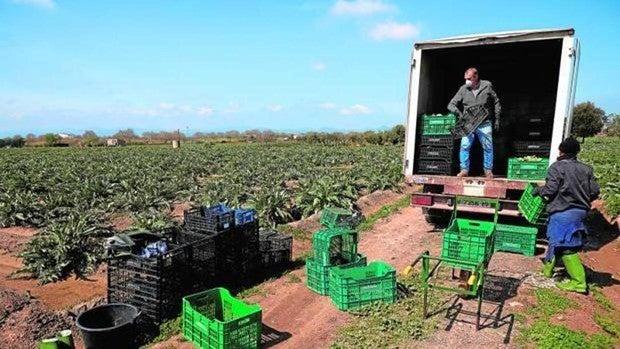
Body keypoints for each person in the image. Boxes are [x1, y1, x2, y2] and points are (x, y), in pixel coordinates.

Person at [533, 137, 600, 294]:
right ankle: (547, 271)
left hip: (563, 213)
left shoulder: (557, 167)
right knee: (557, 242)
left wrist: (538, 191)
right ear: (576, 152)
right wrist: (581, 198)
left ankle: (579, 282)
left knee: (567, 248)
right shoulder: (586, 169)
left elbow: (550, 191)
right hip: (580, 212)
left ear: (561, 151)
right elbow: (595, 191)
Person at [447, 67, 501, 178]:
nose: (467, 81)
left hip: (484, 122)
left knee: (488, 146)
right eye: (465, 78)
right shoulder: (463, 89)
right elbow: (451, 105)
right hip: (468, 123)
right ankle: (464, 170)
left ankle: (488, 170)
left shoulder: (487, 86)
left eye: (469, 78)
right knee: (465, 146)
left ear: (475, 77)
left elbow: (496, 102)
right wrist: (460, 114)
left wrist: (497, 118)